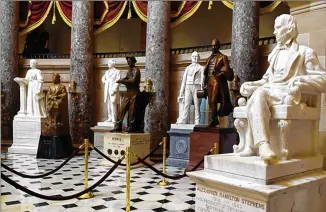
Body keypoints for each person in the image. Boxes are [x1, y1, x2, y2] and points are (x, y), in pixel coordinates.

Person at [240, 14, 326, 162]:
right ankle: (261, 145)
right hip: (270, 91)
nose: (274, 32)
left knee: (259, 95)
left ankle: (261, 145)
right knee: (258, 93)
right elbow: (266, 80)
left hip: (289, 94)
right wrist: (251, 85)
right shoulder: (274, 54)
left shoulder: (305, 52)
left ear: (289, 29)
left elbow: (323, 79)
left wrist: (300, 80)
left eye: (277, 28)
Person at [202, 38, 234, 127]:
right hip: (209, 80)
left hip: (217, 80)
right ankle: (215, 120)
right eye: (212, 45)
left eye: (215, 45)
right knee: (210, 102)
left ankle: (213, 119)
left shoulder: (223, 57)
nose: (213, 47)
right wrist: (204, 84)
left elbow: (227, 70)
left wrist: (221, 73)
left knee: (214, 100)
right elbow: (206, 72)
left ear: (219, 46)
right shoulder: (208, 58)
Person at [111, 56, 140, 132]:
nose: (128, 63)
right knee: (122, 109)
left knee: (132, 111)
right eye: (127, 61)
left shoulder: (136, 70)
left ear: (133, 62)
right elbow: (127, 78)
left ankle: (131, 126)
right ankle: (118, 125)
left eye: (129, 61)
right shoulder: (129, 70)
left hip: (134, 92)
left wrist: (123, 81)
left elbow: (133, 80)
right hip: (128, 92)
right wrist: (121, 79)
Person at [177, 51, 204, 125]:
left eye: (196, 56)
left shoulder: (201, 68)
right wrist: (181, 92)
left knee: (197, 104)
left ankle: (197, 120)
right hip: (188, 86)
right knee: (186, 104)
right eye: (193, 56)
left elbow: (202, 80)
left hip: (197, 86)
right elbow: (183, 81)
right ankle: (184, 119)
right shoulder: (188, 68)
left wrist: (202, 89)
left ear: (198, 58)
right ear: (191, 58)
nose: (195, 58)